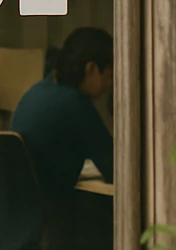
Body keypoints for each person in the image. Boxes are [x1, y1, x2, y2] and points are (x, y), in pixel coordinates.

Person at [10, 26, 114, 200]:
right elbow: (115, 168)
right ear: (91, 69)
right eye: (109, 76)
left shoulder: (39, 90)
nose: (110, 84)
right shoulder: (75, 104)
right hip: (52, 211)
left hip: (23, 208)